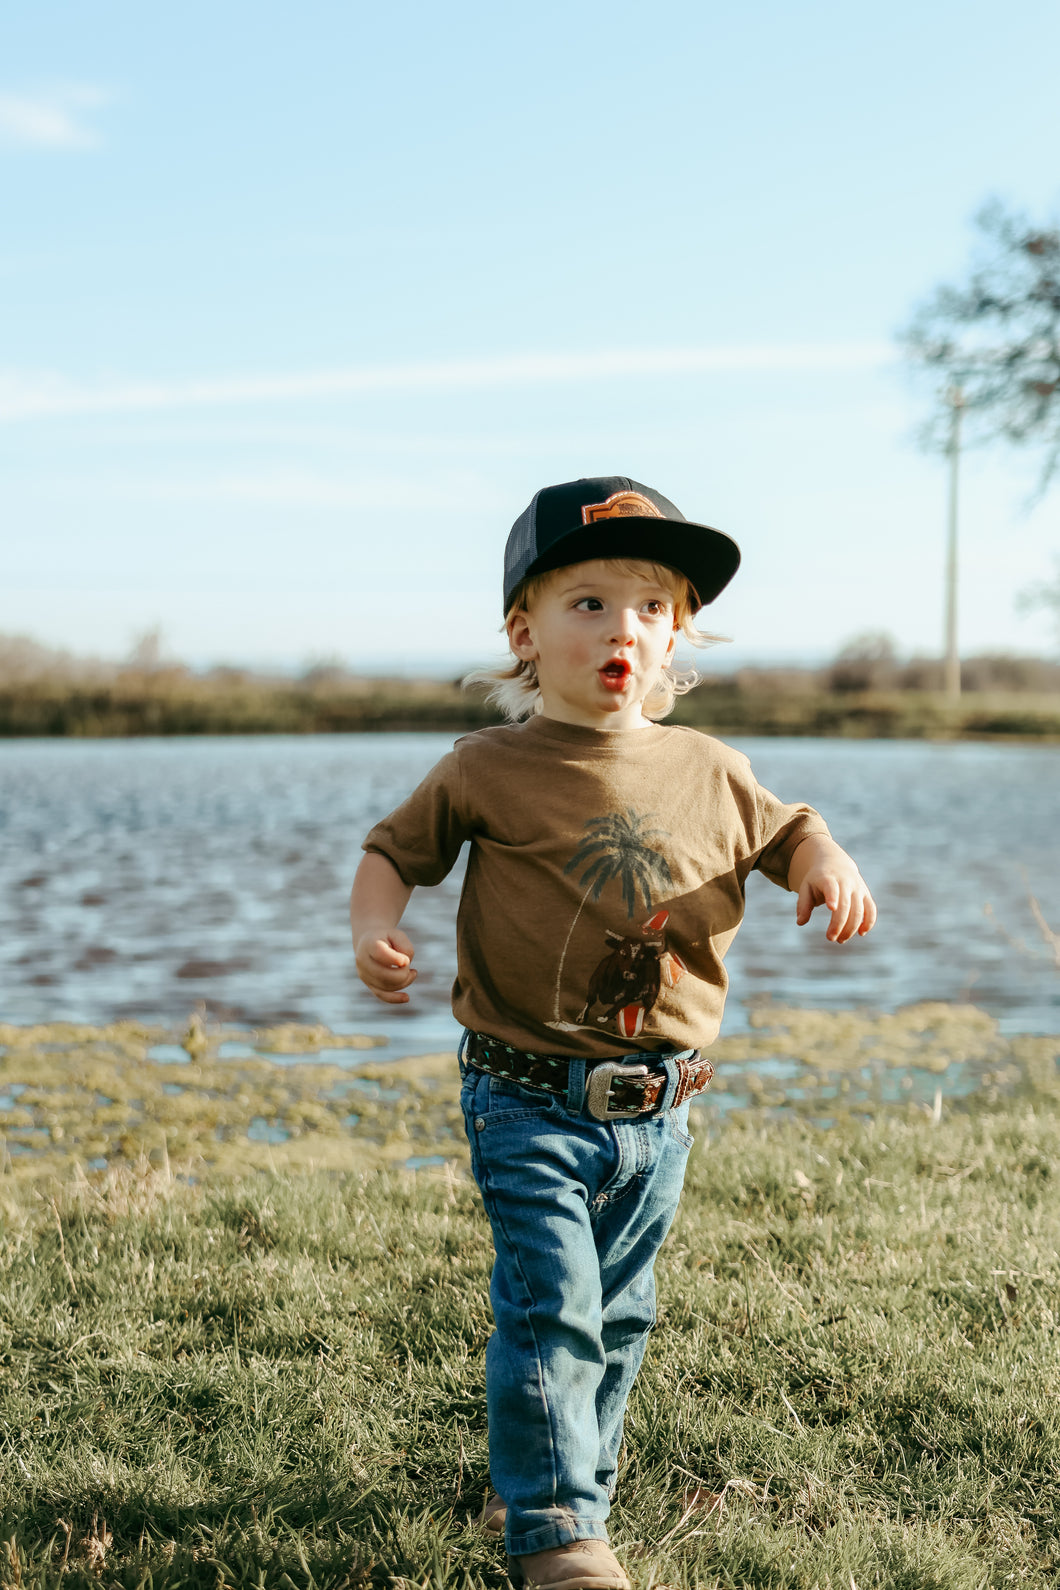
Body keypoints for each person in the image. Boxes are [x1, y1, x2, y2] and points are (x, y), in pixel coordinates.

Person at [350, 476, 876, 1590]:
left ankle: (558, 1477)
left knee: (620, 1314)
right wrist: (375, 926)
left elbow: (788, 829)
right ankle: (559, 1536)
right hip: (524, 1092)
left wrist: (823, 862)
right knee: (552, 1306)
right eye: (586, 603)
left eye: (647, 605)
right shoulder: (485, 768)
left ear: (677, 631)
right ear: (522, 635)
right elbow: (395, 850)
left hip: (663, 1106)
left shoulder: (710, 767)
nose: (620, 629)